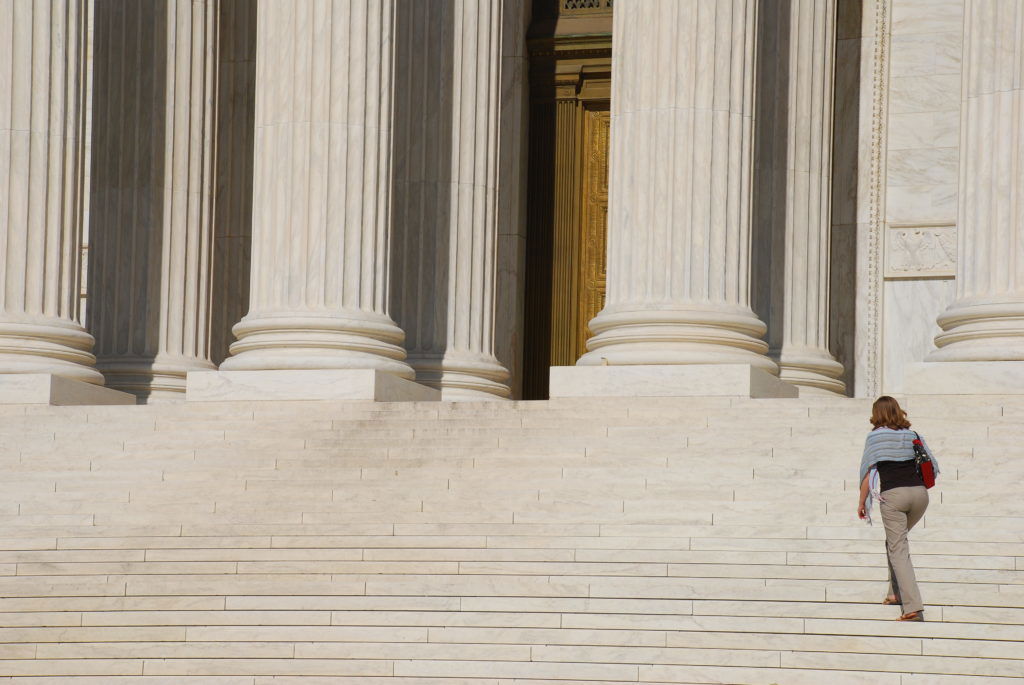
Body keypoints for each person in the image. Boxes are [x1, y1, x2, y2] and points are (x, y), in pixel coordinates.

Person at [856, 396, 938, 622]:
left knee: (898, 547)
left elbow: (867, 473)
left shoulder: (875, 437)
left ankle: (913, 607)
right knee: (895, 543)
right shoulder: (913, 435)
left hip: (894, 496)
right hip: (920, 495)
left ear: (876, 413)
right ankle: (895, 593)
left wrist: (862, 502)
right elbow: (931, 463)